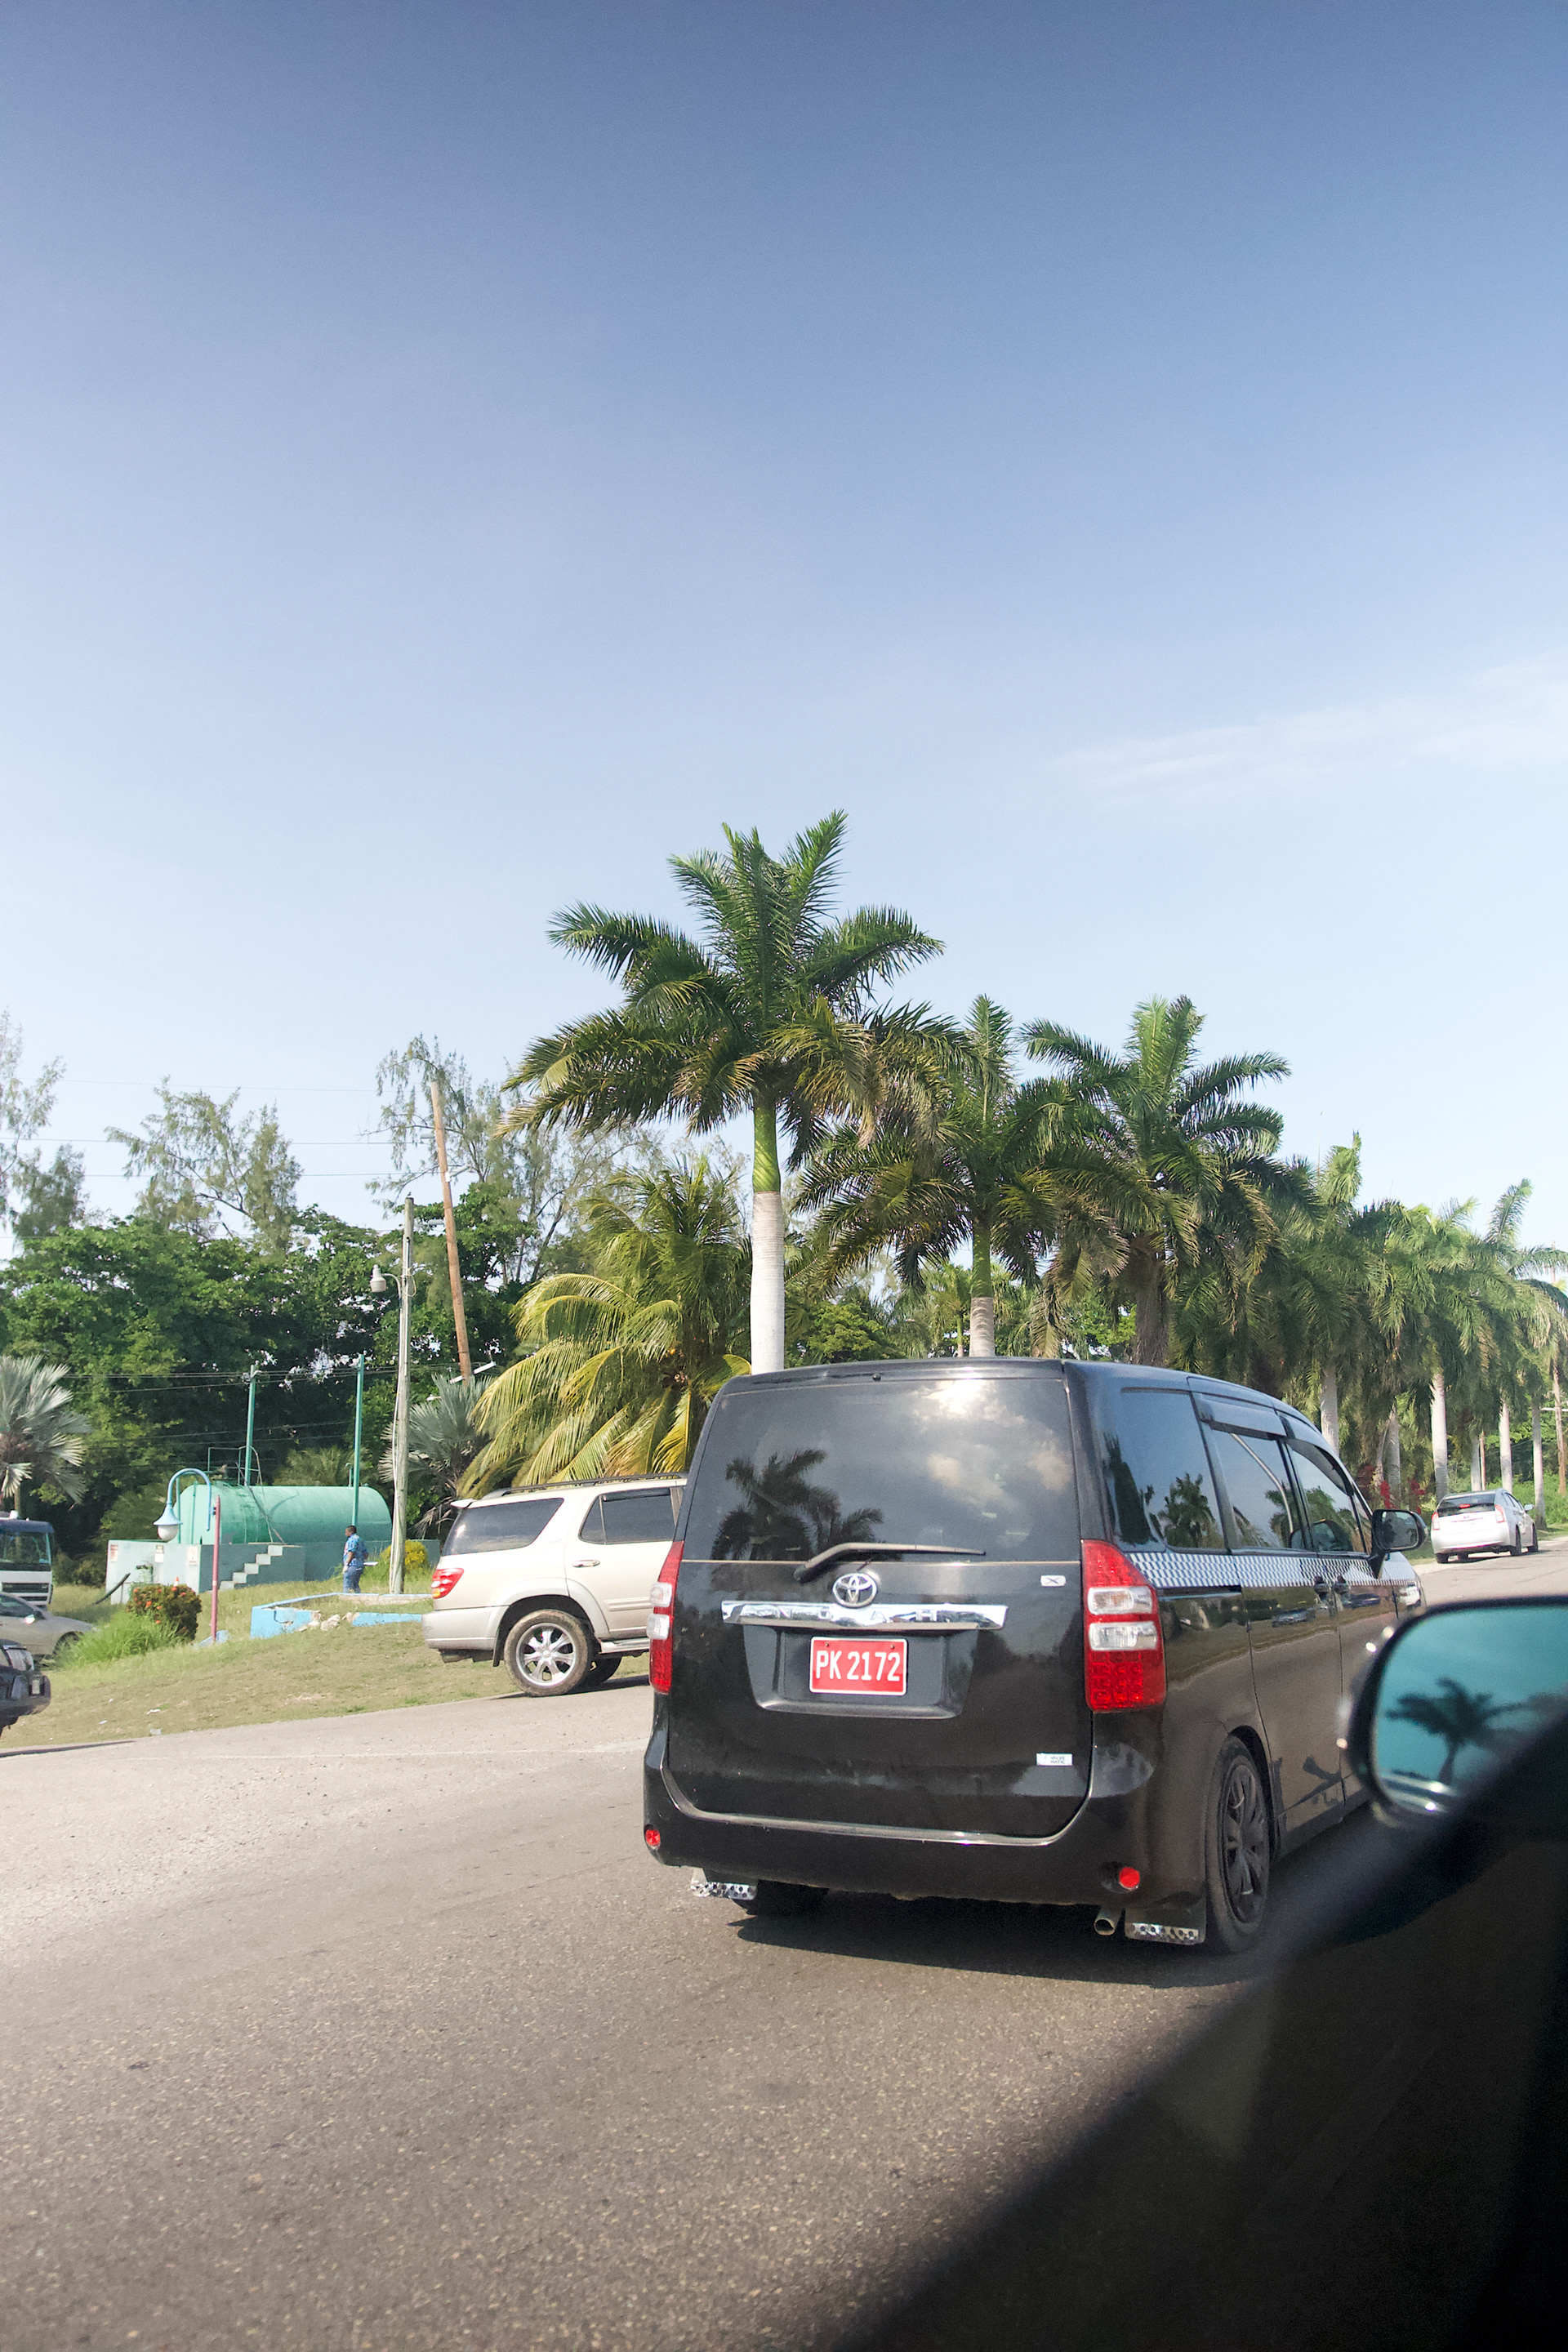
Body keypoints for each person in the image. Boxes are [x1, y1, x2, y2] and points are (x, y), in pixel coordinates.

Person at [342, 1525, 368, 1593]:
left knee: (347, 1583)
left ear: (350, 1532)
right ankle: (358, 1595)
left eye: (346, 1532)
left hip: (352, 1565)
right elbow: (365, 1554)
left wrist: (347, 1564)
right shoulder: (360, 1540)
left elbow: (351, 1552)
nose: (345, 1534)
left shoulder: (352, 1540)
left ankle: (346, 1596)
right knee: (355, 1585)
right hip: (359, 1565)